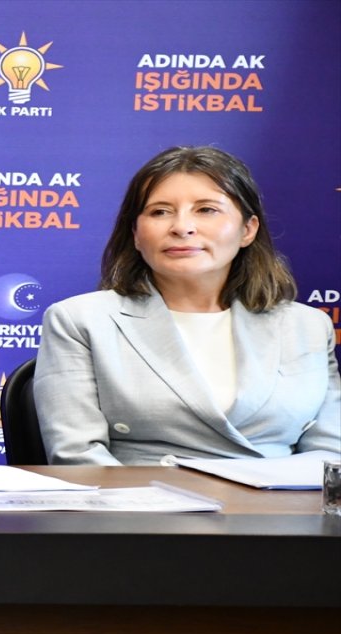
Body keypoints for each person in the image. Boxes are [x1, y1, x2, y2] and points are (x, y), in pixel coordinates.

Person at [35, 146, 340, 465]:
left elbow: (332, 456)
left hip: (280, 494)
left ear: (248, 230)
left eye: (206, 209)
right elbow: (79, 456)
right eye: (160, 212)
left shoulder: (308, 326)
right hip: (138, 494)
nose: (182, 227)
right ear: (136, 234)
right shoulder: (79, 320)